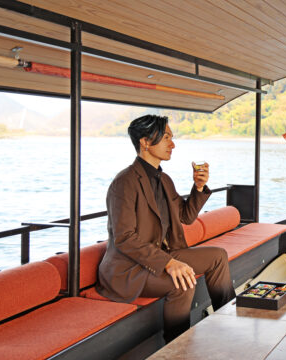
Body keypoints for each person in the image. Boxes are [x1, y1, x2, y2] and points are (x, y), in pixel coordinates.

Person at [96, 115, 235, 342]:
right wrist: (169, 263)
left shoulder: (164, 180)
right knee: (182, 284)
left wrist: (199, 187)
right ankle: (177, 348)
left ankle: (230, 322)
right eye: (166, 138)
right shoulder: (124, 182)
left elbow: (186, 216)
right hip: (130, 269)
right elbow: (124, 238)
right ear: (145, 142)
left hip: (161, 255)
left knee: (218, 256)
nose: (173, 144)